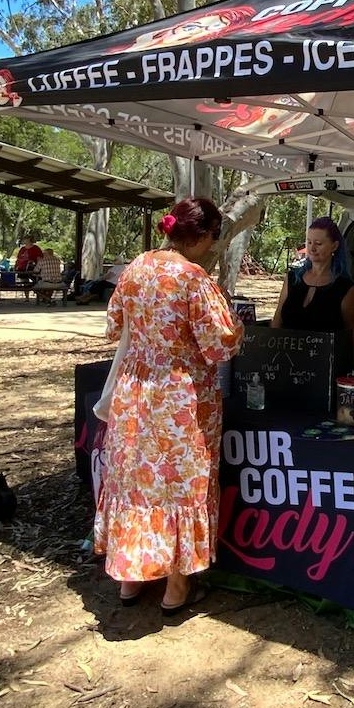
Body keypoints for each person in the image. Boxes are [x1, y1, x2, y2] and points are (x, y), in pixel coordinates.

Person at [93, 198, 243, 614]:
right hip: (180, 399)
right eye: (214, 236)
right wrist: (237, 319)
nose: (214, 245)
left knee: (134, 482)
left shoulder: (136, 268)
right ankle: (176, 590)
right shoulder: (194, 279)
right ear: (198, 236)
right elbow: (221, 345)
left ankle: (130, 579)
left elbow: (112, 328)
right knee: (181, 487)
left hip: (135, 392)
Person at [273, 218, 354, 365]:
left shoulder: (345, 288)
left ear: (334, 246)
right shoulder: (292, 278)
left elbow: (350, 337)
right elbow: (277, 320)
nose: (312, 248)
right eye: (309, 242)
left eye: (318, 244)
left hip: (322, 367)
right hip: (284, 362)